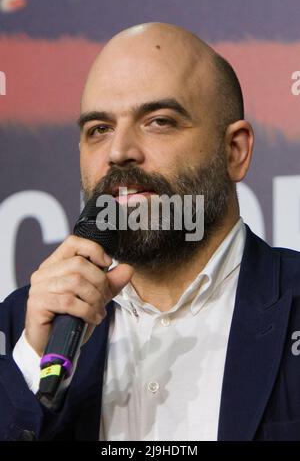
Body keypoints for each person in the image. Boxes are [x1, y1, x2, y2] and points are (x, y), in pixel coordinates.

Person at [1, 22, 300, 442]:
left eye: (158, 121)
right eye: (99, 129)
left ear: (235, 151)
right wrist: (33, 369)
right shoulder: (20, 330)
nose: (119, 151)